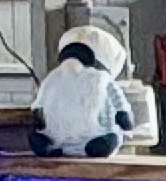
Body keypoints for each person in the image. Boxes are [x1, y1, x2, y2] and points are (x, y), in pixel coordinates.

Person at [30, 22, 143, 156]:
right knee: (43, 138)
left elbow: (118, 103)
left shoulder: (102, 79)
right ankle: (49, 144)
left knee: (106, 140)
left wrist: (123, 117)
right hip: (59, 139)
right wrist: (37, 113)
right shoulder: (53, 78)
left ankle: (100, 145)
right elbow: (40, 102)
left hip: (95, 133)